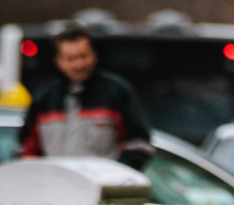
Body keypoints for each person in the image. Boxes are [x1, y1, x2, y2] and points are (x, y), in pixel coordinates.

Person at [17, 22, 154, 170]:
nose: (79, 65)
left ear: (94, 54)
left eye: (83, 56)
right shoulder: (43, 98)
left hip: (104, 189)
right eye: (70, 59)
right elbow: (26, 149)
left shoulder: (117, 92)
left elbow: (140, 145)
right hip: (54, 189)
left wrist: (116, 178)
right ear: (58, 61)